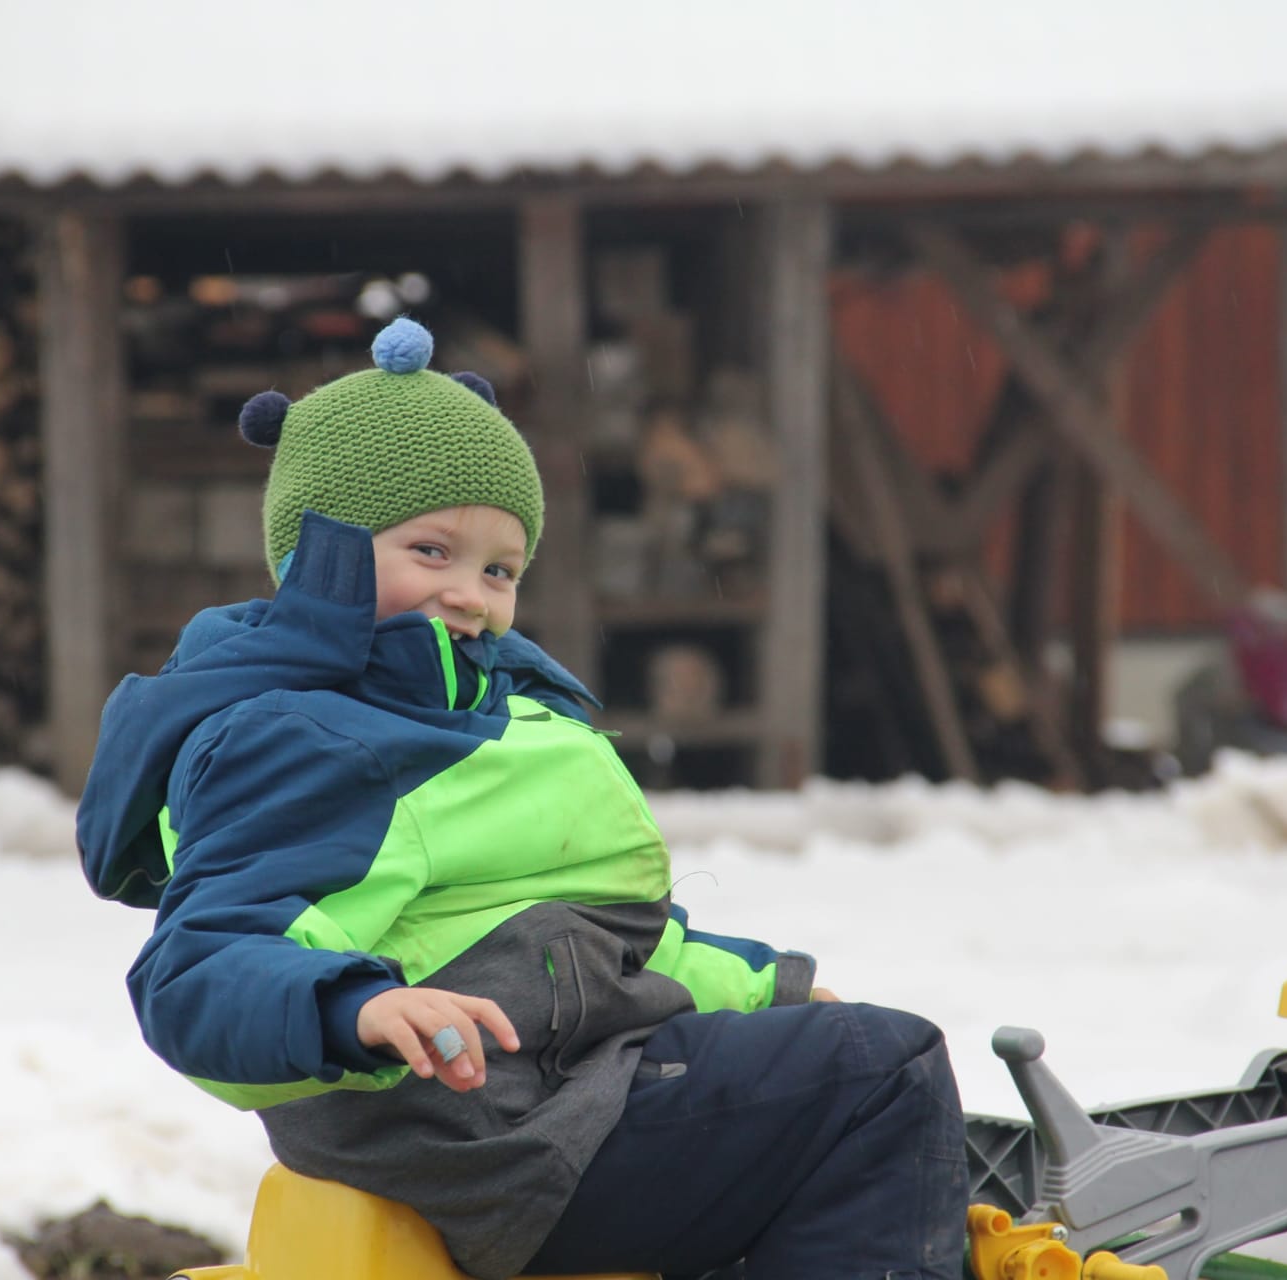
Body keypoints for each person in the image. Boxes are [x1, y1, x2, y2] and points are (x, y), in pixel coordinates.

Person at [77, 318, 967, 1280]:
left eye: (499, 568)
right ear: (319, 554)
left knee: (847, 1060)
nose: (472, 594)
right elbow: (198, 970)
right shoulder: (305, 738)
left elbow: (597, 947)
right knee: (882, 1071)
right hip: (482, 1136)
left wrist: (767, 994)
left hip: (555, 1092)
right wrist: (356, 1009)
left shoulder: (494, 718)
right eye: (431, 550)